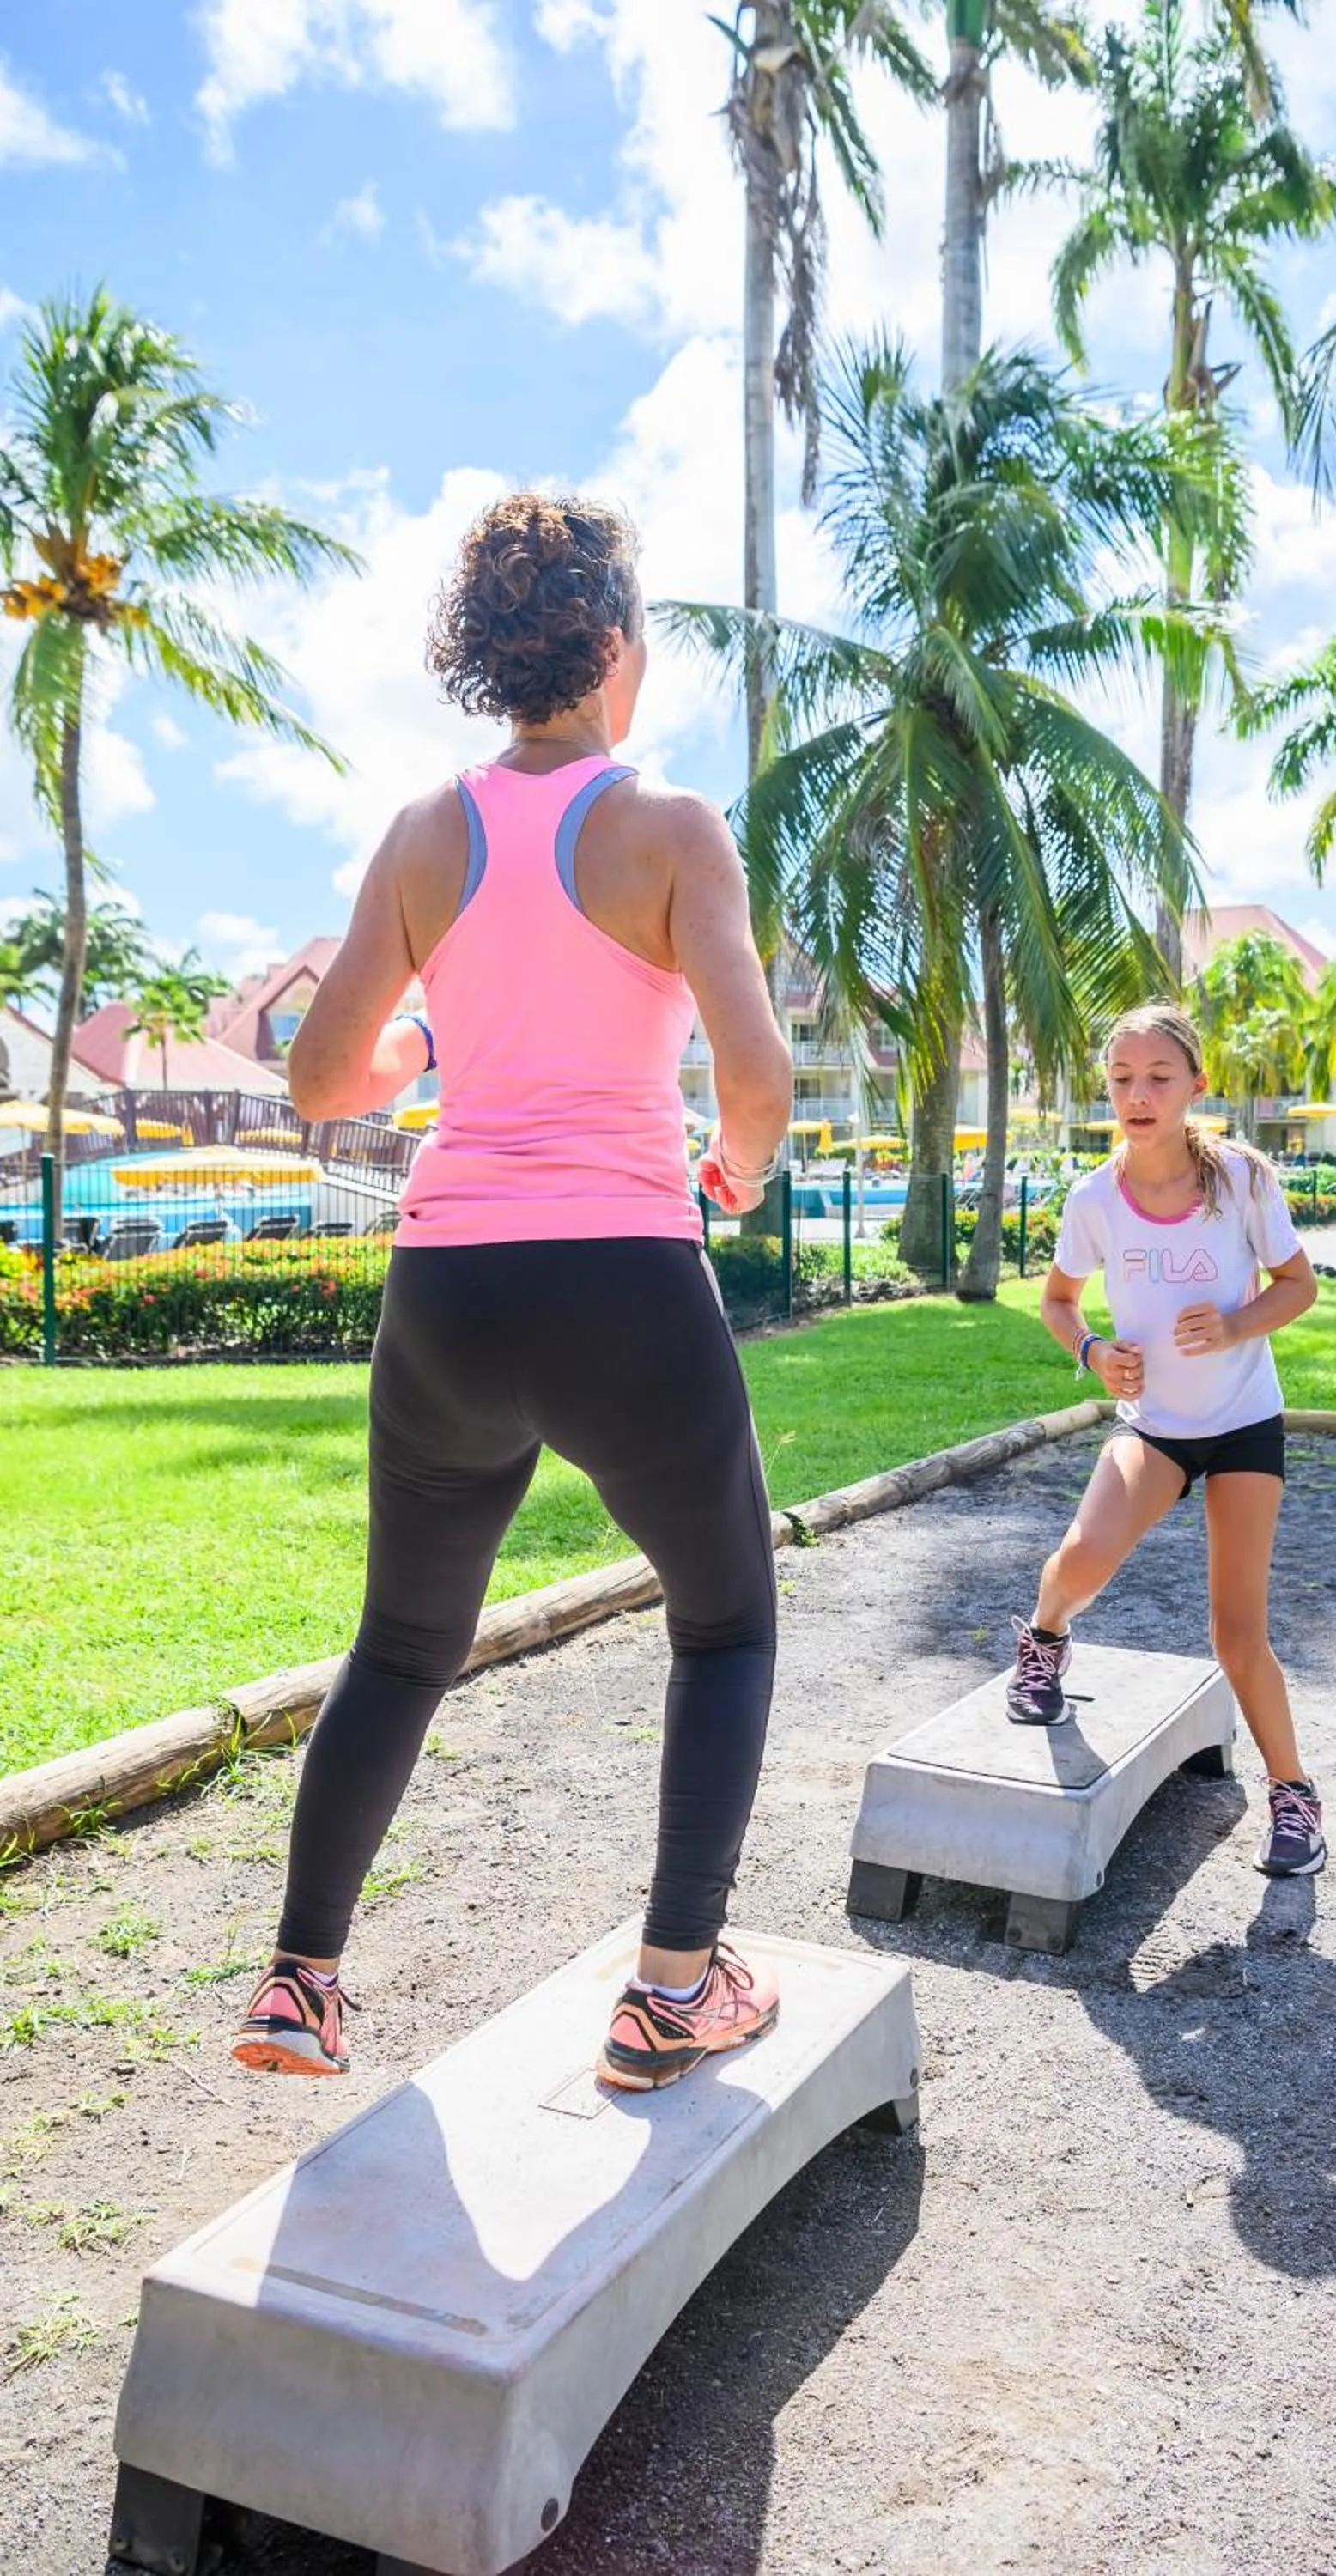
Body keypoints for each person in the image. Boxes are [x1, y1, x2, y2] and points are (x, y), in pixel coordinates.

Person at [231, 492, 793, 2090]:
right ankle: (674, 1988)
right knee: (727, 1618)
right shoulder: (673, 830)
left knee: (403, 1644)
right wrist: (735, 1169)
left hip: (449, 1298)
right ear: (614, 649)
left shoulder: (423, 834)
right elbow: (752, 1082)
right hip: (622, 1280)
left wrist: (423, 1041)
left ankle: (299, 1985)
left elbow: (324, 1078)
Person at [1005, 1004, 1327, 1877]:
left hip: (1243, 1425)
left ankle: (1294, 1799)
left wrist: (1232, 1327)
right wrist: (1091, 1351)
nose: (1137, 1095)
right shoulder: (1093, 1198)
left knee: (1236, 1634)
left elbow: (1297, 1287)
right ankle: (1042, 1641)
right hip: (1154, 1429)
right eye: (1121, 1079)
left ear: (1195, 1085)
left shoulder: (1242, 1182)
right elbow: (1060, 1300)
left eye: (1157, 1078)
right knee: (1083, 1557)